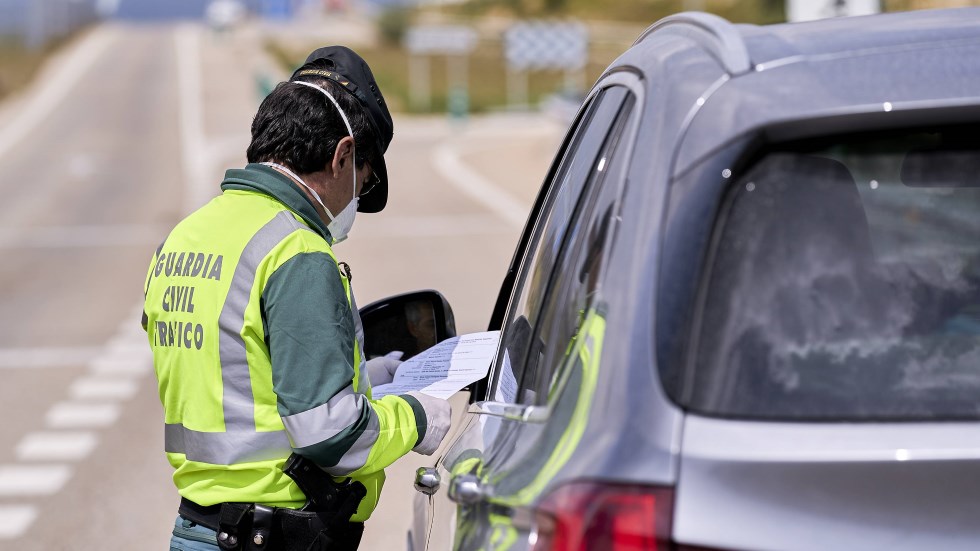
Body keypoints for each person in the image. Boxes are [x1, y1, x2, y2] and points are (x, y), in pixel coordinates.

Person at [142, 46, 451, 551]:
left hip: (198, 530)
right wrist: (417, 417)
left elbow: (236, 373)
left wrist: (364, 378)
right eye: (364, 179)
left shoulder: (184, 239)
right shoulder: (295, 251)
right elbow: (332, 438)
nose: (356, 198)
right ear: (343, 155)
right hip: (275, 534)